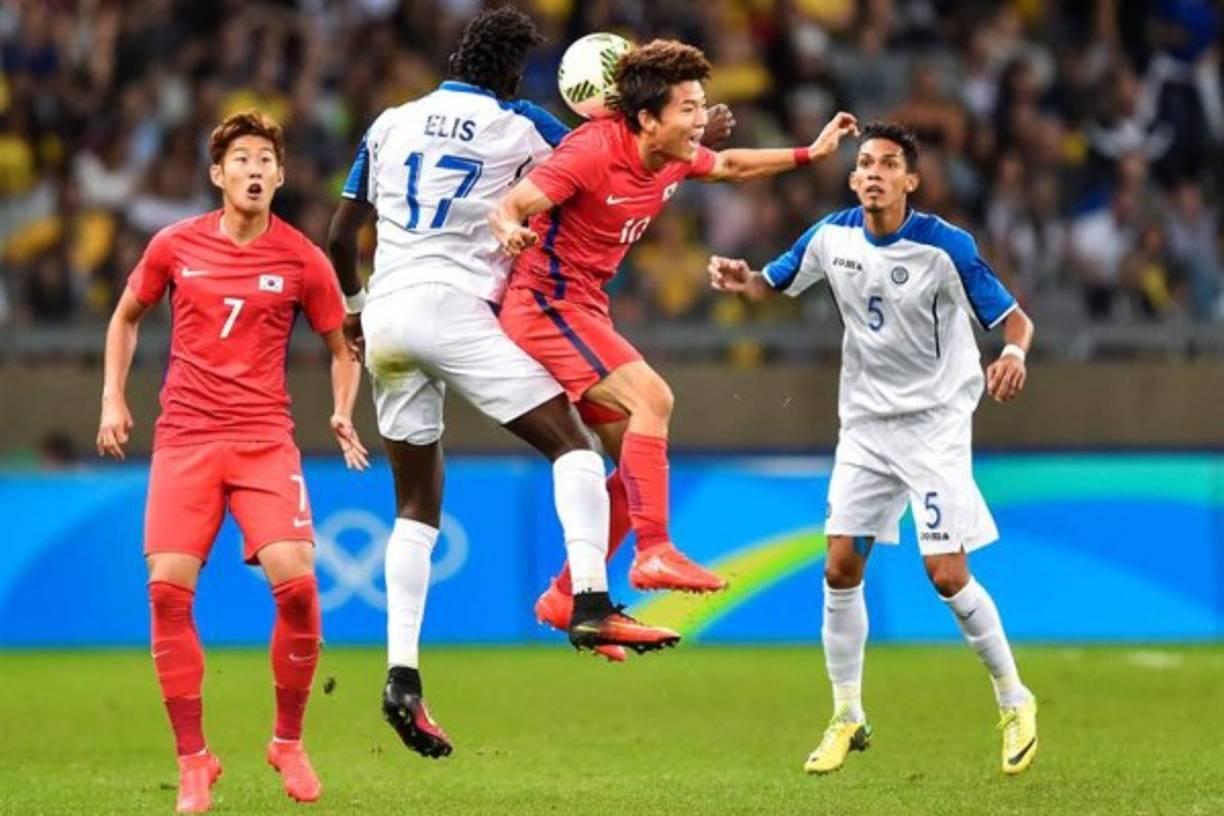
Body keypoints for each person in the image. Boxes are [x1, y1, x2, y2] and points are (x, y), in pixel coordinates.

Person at [325, 7, 688, 758]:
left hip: (388, 316)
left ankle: (402, 677)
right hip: (457, 312)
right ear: (515, 73)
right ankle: (590, 600)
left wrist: (355, 315)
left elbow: (338, 234)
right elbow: (612, 164)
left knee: (417, 511)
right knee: (578, 450)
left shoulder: (391, 122)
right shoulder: (523, 125)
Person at [489, 39, 858, 638]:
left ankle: (564, 597)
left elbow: (732, 164)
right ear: (646, 118)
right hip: (543, 306)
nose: (701, 121)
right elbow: (513, 204)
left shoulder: (671, 155)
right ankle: (654, 550)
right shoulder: (589, 153)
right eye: (688, 108)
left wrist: (809, 154)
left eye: (701, 107)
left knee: (631, 469)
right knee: (653, 399)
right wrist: (509, 230)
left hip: (585, 309)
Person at [706, 122, 1039, 776]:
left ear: (911, 180)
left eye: (889, 164)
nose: (873, 173)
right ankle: (847, 713)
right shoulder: (831, 237)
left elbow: (1014, 318)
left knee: (946, 573)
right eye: (865, 164)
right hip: (865, 426)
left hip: (936, 424)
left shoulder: (947, 247)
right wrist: (742, 276)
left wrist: (1016, 354)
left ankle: (1014, 697)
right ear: (854, 177)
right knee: (838, 568)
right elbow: (771, 282)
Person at [96, 110, 368, 813]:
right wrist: (112, 400)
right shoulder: (172, 246)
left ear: (280, 176)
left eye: (265, 160)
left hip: (262, 442)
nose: (253, 169)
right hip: (184, 439)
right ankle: (194, 760)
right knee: (166, 590)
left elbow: (344, 348)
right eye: (240, 159)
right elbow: (125, 316)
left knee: (300, 586)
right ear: (218, 175)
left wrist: (342, 409)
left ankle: (287, 740)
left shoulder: (302, 257)